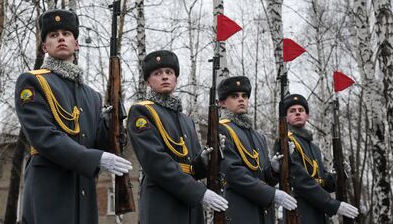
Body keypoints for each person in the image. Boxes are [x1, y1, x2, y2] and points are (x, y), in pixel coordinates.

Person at [15, 9, 132, 224]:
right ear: (44, 47)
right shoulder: (33, 82)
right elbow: (44, 137)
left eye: (67, 33)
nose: (60, 37)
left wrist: (112, 126)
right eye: (53, 35)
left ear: (76, 44)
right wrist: (95, 158)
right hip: (49, 191)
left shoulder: (92, 96)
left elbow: (98, 144)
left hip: (83, 192)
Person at [127, 50, 228, 224]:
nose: (164, 77)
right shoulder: (142, 111)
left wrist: (204, 161)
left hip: (189, 207)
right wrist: (198, 192)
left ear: (176, 79)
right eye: (157, 73)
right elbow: (156, 162)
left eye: (169, 72)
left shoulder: (186, 120)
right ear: (148, 82)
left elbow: (191, 168)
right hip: (162, 203)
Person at [218, 76, 297, 223]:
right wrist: (271, 194)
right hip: (240, 210)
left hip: (264, 213)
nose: (241, 99)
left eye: (244, 96)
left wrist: (273, 170)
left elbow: (263, 177)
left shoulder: (258, 136)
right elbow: (233, 173)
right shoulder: (222, 128)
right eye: (235, 96)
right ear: (223, 103)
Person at [279, 94, 359, 223]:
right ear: (286, 118)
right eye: (292, 111)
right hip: (300, 211)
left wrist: (338, 175)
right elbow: (300, 180)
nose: (297, 113)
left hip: (319, 211)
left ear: (307, 115)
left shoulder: (313, 147)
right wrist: (332, 204)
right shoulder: (286, 141)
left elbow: (320, 180)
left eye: (301, 110)